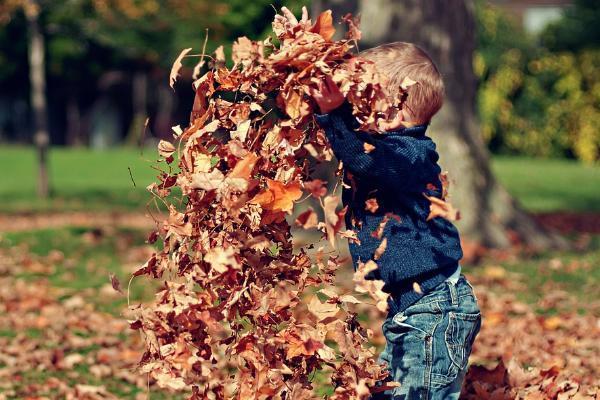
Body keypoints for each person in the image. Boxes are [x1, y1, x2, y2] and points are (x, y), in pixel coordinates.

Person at [310, 40, 482, 399]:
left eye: (363, 101)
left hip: (433, 313)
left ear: (394, 111)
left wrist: (333, 116)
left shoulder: (410, 155)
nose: (354, 111)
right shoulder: (394, 151)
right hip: (414, 311)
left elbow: (367, 160)